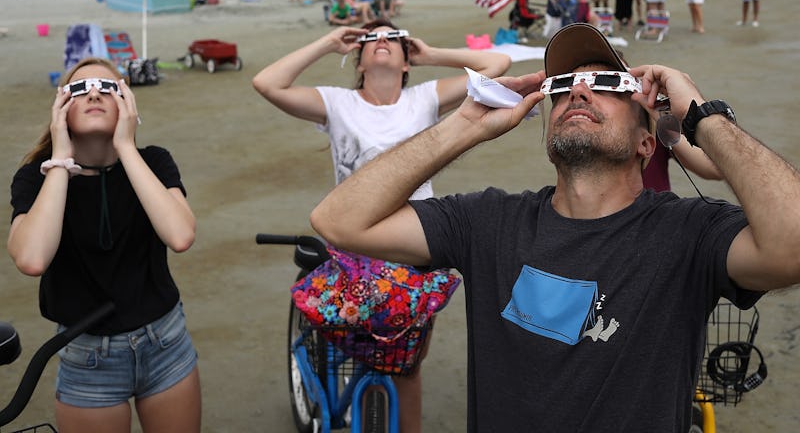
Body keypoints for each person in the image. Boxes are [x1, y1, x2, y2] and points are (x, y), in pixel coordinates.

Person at [309, 21, 800, 432]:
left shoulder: (687, 233)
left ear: (646, 144)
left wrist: (701, 115)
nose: (579, 89)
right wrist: (465, 126)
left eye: (607, 85)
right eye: (562, 86)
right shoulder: (487, 221)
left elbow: (791, 246)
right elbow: (339, 221)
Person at [252, 20, 511, 433]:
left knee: (407, 367)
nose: (383, 42)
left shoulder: (424, 97)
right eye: (372, 39)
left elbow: (496, 63)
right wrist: (326, 43)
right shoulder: (338, 102)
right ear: (360, 58)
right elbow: (267, 83)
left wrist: (431, 55)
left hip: (415, 245)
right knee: (356, 347)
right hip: (355, 244)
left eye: (394, 37)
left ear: (407, 61)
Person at [8, 57, 201, 433]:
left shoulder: (153, 161)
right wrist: (61, 160)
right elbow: (32, 259)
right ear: (60, 107)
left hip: (165, 342)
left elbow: (180, 235)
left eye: (108, 87)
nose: (94, 92)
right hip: (88, 355)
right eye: (79, 89)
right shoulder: (36, 176)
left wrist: (126, 147)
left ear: (127, 103)